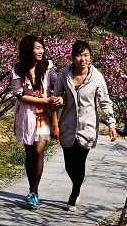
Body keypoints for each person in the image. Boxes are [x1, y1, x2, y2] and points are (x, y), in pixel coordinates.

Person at [55, 40, 118, 211]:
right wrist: (59, 99)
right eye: (79, 55)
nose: (82, 59)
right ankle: (78, 184)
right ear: (72, 57)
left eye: (86, 55)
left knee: (80, 161)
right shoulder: (64, 75)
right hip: (67, 125)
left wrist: (111, 124)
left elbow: (105, 101)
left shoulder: (97, 77)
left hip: (87, 126)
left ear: (90, 57)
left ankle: (74, 193)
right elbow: (57, 94)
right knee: (69, 164)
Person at [8, 34, 61, 208]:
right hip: (27, 114)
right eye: (37, 48)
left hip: (44, 115)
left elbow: (55, 87)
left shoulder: (47, 66)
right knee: (30, 152)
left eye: (41, 47)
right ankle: (32, 190)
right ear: (27, 50)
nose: (41, 51)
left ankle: (34, 190)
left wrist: (54, 103)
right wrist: (43, 100)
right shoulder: (18, 69)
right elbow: (19, 95)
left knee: (39, 150)